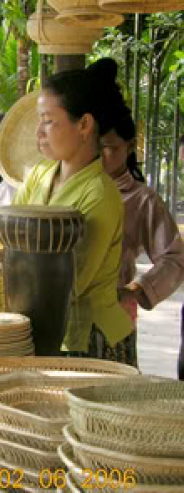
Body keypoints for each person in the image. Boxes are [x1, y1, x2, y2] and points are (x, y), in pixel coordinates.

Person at [0, 59, 135, 365]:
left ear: (84, 125)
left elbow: (67, 283)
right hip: (45, 328)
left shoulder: (99, 195)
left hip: (87, 340)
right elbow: (19, 234)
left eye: (48, 120)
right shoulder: (41, 175)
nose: (39, 132)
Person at [100, 109, 184, 349]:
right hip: (68, 313)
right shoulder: (65, 188)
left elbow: (174, 258)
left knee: (113, 383)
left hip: (114, 312)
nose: (99, 154)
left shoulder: (142, 199)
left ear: (129, 146)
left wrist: (137, 290)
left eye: (109, 147)